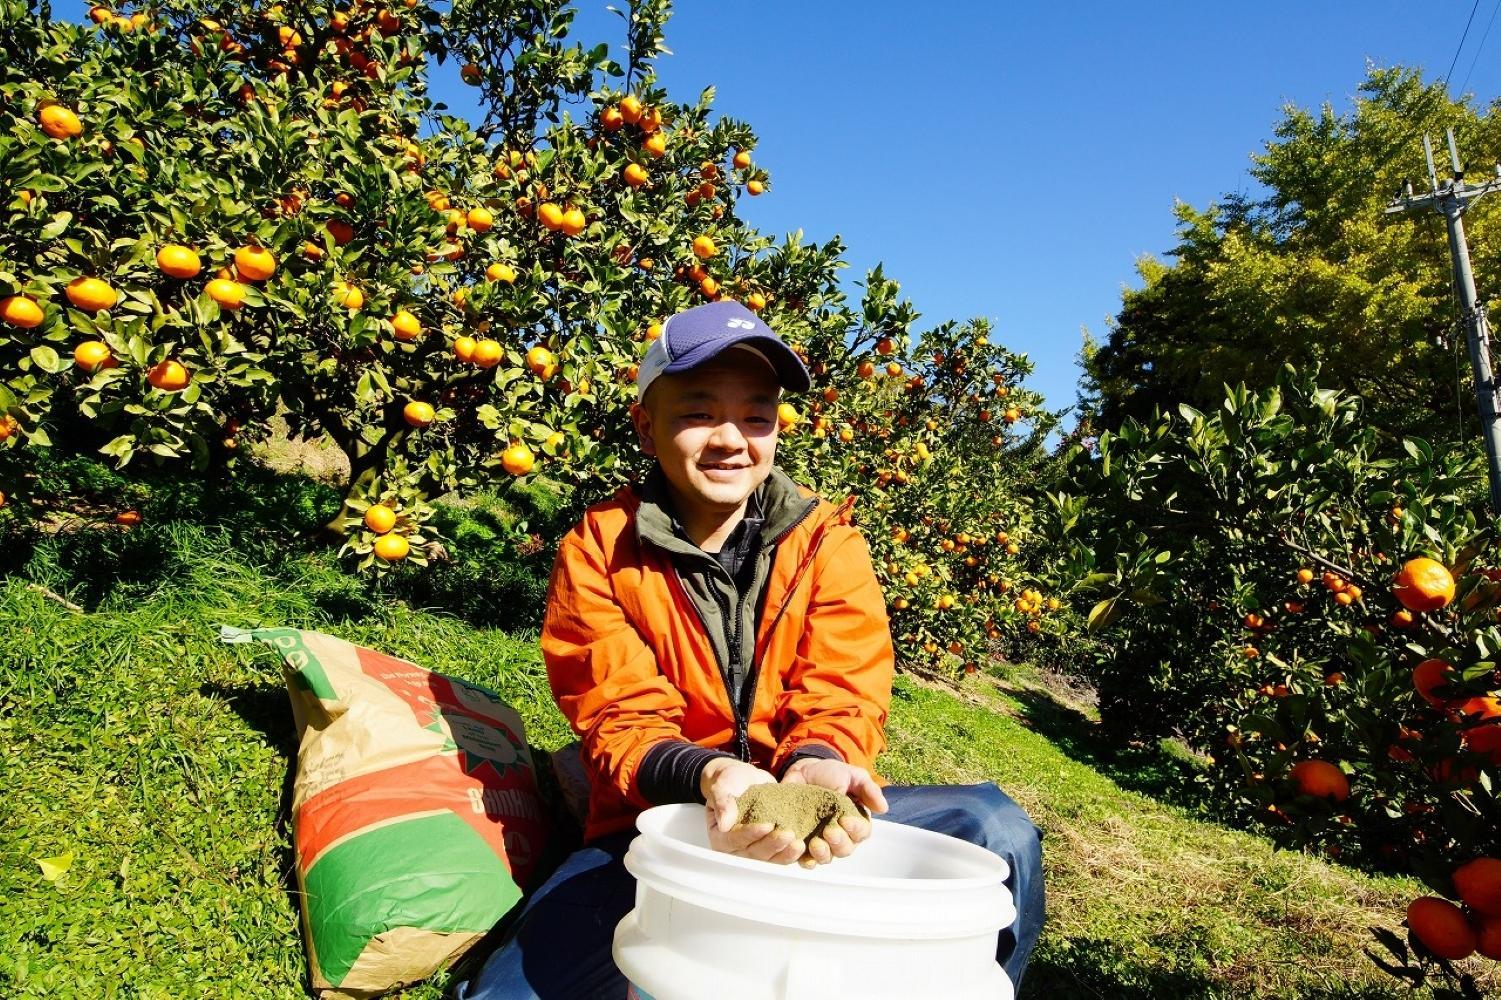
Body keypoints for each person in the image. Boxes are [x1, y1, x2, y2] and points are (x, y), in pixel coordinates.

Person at [456, 300, 1045, 999]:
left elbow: (844, 685)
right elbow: (616, 709)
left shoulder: (827, 543)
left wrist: (816, 762)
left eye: (756, 415)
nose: (731, 439)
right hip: (658, 826)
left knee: (994, 828)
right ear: (646, 427)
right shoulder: (601, 548)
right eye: (698, 412)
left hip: (801, 820)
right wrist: (709, 778)